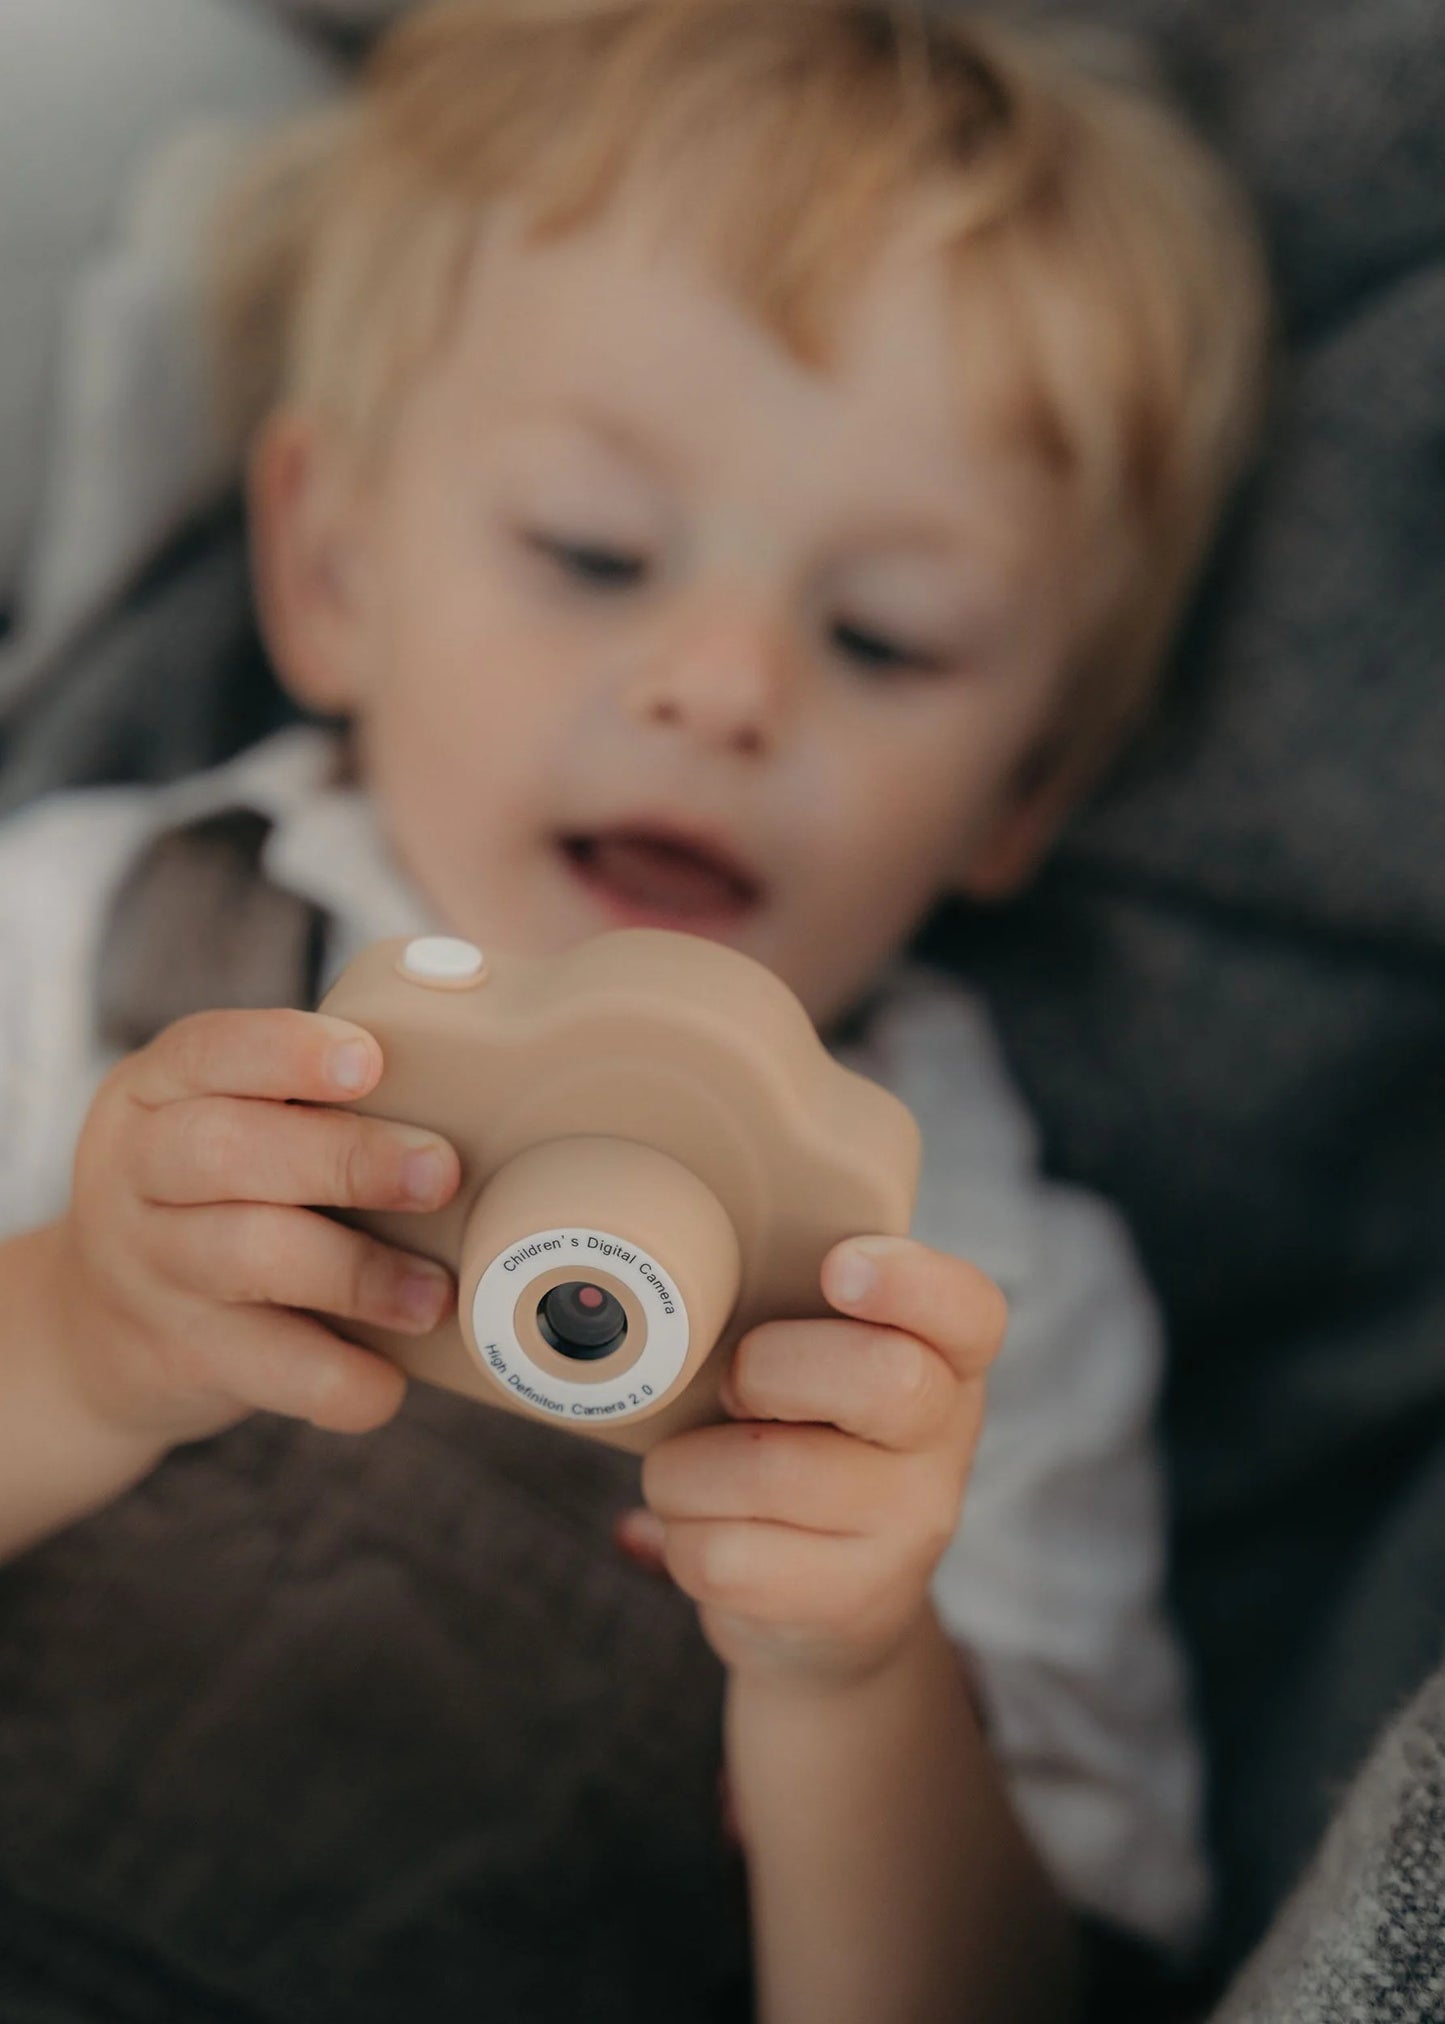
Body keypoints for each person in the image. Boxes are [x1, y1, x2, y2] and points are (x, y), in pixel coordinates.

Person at [0, 4, 1269, 2019]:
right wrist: (76, 1328)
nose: (724, 683)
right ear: (331, 562)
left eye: (886, 637)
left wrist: (859, 1670)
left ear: (1029, 786)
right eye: (594, 551)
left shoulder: (987, 1292)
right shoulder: (78, 936)